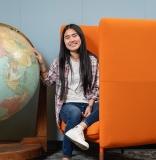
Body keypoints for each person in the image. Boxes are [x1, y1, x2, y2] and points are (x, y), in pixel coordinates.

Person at [33, 24, 99, 160]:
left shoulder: (92, 60)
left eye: (74, 35)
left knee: (106, 106)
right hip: (68, 105)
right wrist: (42, 63)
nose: (71, 40)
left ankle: (79, 128)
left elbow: (96, 89)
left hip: (88, 104)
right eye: (67, 37)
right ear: (64, 42)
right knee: (74, 113)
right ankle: (66, 157)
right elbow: (48, 82)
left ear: (80, 37)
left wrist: (90, 105)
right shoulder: (60, 61)